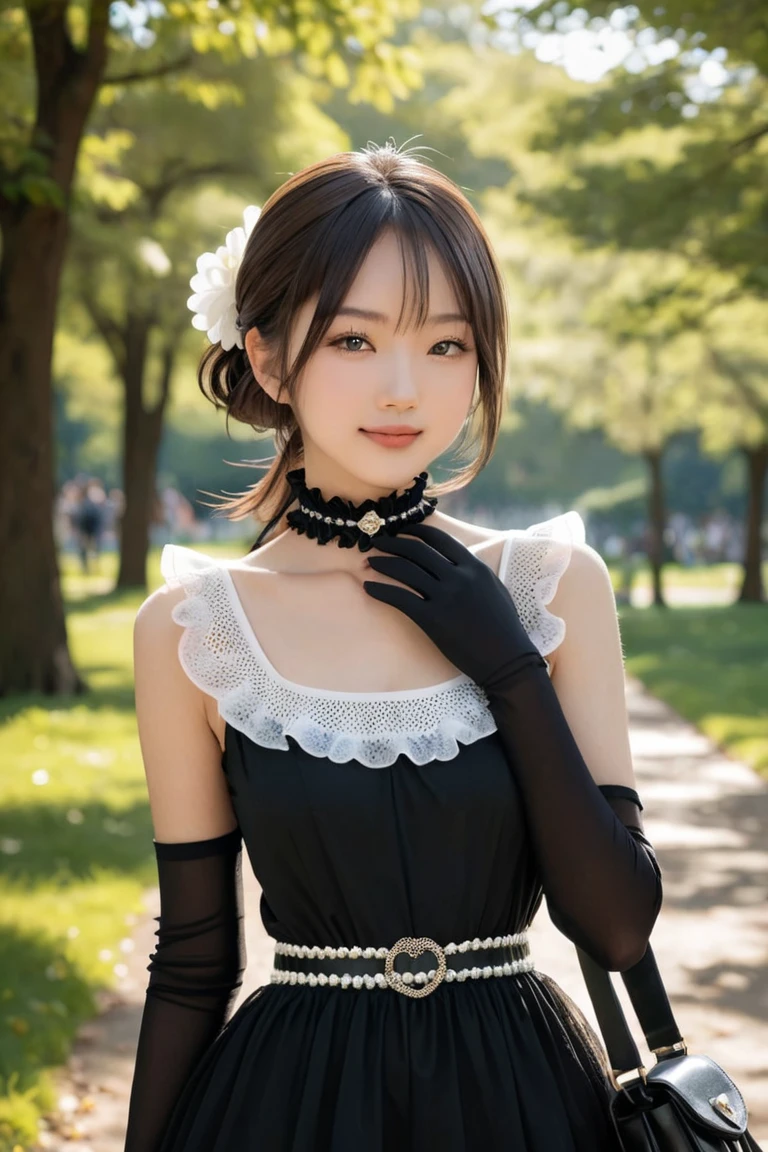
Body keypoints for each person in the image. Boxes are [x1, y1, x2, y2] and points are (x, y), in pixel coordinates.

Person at [125, 142, 663, 1152]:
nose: (404, 390)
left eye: (448, 346)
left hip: (525, 1104)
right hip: (290, 1107)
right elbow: (194, 961)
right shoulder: (195, 627)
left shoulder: (552, 588)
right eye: (356, 343)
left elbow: (618, 925)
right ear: (273, 357)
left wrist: (508, 668)